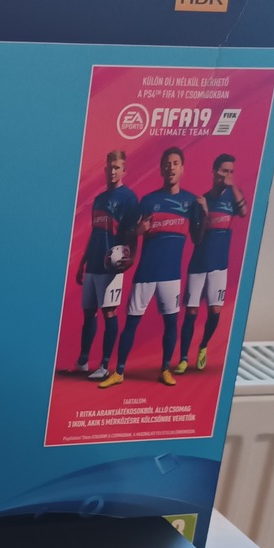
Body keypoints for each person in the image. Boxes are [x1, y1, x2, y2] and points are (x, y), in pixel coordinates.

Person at [99, 147, 204, 390]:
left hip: (171, 276)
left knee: (170, 324)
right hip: (145, 274)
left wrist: (205, 214)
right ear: (161, 169)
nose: (171, 167)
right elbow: (126, 232)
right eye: (167, 164)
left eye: (175, 163)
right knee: (131, 324)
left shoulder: (191, 202)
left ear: (182, 168)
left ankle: (165, 369)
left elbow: (198, 238)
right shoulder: (148, 201)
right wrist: (136, 233)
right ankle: (119, 372)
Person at [175, 152, 247, 373]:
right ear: (214, 172)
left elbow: (244, 212)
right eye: (224, 171)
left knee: (215, 311)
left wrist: (234, 186)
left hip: (219, 266)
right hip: (198, 265)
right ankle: (183, 358)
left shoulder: (233, 197)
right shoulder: (201, 201)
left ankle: (203, 346)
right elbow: (196, 239)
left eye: (231, 172)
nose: (227, 175)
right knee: (191, 313)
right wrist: (205, 213)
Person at [71, 149, 139, 380]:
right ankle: (82, 361)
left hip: (112, 267)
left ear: (124, 170)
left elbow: (132, 232)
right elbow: (95, 232)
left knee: (109, 312)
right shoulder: (99, 199)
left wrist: (131, 258)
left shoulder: (129, 199)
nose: (113, 171)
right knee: (88, 313)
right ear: (105, 169)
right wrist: (82, 262)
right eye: (110, 167)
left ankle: (104, 365)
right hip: (93, 264)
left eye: (117, 167)